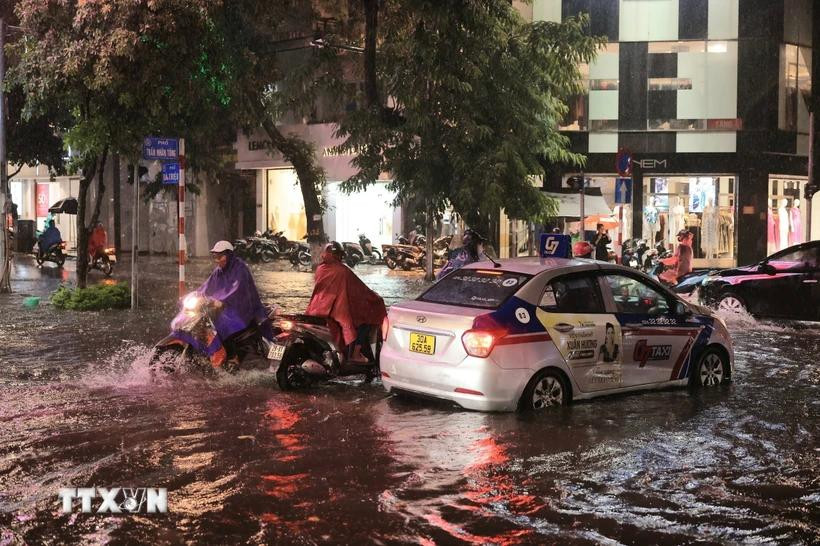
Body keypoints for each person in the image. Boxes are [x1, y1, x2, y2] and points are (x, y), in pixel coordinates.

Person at [306, 242, 387, 362]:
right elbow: (360, 289)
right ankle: (355, 353)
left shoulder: (320, 269)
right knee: (364, 321)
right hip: (336, 311)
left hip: (315, 308)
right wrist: (375, 299)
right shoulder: (343, 271)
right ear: (338, 255)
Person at [198, 240, 270, 364]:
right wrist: (196, 295)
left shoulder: (240, 268)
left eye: (220, 256)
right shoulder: (219, 271)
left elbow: (236, 289)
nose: (217, 260)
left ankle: (232, 356)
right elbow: (207, 286)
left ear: (229, 255)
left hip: (241, 307)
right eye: (215, 257)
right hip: (225, 305)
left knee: (222, 323)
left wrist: (222, 301)